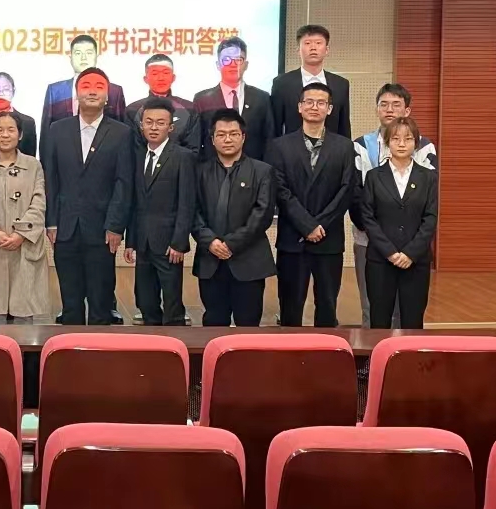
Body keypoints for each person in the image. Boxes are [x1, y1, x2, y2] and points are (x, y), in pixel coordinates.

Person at [41, 35, 127, 325]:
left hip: (103, 228)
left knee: (101, 302)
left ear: (108, 96)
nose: (92, 91)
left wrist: (115, 225)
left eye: (99, 87)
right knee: (71, 301)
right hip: (64, 227)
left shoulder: (122, 133)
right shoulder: (57, 130)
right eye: (86, 86)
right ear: (76, 94)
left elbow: (123, 183)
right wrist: (51, 221)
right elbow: (50, 178)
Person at [265, 83, 356, 327]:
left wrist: (320, 225)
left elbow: (346, 190)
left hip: (329, 239)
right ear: (299, 107)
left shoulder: (344, 147)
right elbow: (280, 190)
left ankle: (326, 350)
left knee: (327, 306)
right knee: (290, 308)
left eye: (321, 103)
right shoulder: (279, 146)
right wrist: (307, 226)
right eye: (309, 102)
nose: (314, 107)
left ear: (330, 109)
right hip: (292, 240)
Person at [352, 83, 438, 328]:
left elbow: (430, 214)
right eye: (384, 104)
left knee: (411, 316)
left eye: (396, 104)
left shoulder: (426, 160)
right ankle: (374, 354)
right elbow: (362, 206)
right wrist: (387, 248)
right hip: (375, 247)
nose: (389, 110)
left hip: (415, 253)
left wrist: (410, 251)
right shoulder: (365, 154)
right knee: (375, 313)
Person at [192, 109, 277, 326]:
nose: (227, 139)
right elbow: (192, 211)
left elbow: (262, 214)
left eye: (233, 134)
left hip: (249, 261)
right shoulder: (199, 172)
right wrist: (210, 241)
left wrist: (230, 244)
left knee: (248, 326)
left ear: (243, 137)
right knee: (213, 322)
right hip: (210, 260)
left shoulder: (262, 171)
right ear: (212, 139)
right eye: (221, 134)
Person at [123, 97, 195, 326]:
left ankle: (175, 341)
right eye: (149, 122)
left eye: (160, 123)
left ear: (170, 127)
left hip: (169, 243)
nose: (154, 127)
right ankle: (151, 340)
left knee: (172, 302)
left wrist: (179, 242)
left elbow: (186, 203)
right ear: (141, 125)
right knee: (145, 300)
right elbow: (135, 203)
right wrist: (130, 241)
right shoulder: (136, 156)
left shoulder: (183, 157)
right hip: (142, 242)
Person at [0, 111, 49, 322]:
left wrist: (21, 234)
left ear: (20, 134)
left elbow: (39, 202)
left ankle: (25, 345)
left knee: (24, 312)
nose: (5, 135)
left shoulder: (33, 165)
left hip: (24, 244)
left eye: (10, 130)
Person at [193, 36, 275, 162]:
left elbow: (269, 139)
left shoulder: (262, 98)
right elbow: (196, 142)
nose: (232, 65)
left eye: (238, 60)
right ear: (218, 65)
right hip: (212, 169)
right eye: (226, 60)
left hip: (253, 169)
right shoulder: (202, 99)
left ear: (246, 65)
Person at [270, 25, 351, 138]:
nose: (313, 48)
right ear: (298, 50)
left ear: (326, 50)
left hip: (332, 147)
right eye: (307, 43)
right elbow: (275, 126)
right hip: (292, 147)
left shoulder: (340, 84)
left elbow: (344, 126)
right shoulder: (282, 83)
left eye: (318, 43)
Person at [40, 34, 127, 140]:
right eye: (78, 53)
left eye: (89, 53)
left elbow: (122, 131)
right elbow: (46, 133)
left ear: (97, 56)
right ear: (70, 57)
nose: (83, 58)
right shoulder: (55, 91)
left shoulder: (115, 91)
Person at [125, 54, 200, 153]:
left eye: (165, 73)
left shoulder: (189, 108)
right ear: (145, 79)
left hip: (180, 161)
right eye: (155, 73)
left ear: (173, 77)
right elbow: (131, 148)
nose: (161, 78)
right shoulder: (132, 110)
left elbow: (193, 149)